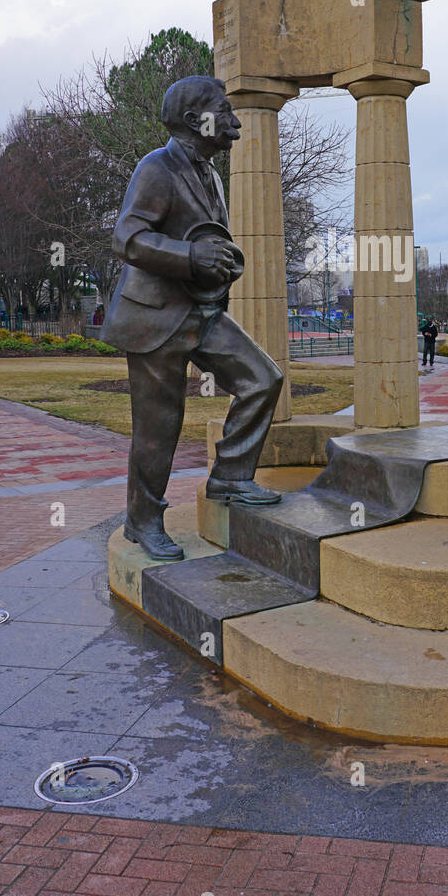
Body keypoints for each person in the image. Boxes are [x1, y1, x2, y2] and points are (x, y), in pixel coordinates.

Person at [101, 76, 284, 562]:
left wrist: (220, 263)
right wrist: (189, 258)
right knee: (159, 425)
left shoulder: (210, 175)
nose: (236, 124)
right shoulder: (156, 168)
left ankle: (229, 477)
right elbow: (127, 238)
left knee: (263, 378)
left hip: (201, 311)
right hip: (155, 317)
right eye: (224, 112)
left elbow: (207, 240)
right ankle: (142, 521)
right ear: (193, 120)